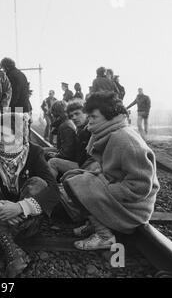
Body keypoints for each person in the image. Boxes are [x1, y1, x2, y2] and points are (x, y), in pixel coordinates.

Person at [0, 113, 59, 277]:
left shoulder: (34, 152)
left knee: (39, 184)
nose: (0, 138)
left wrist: (20, 207)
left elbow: (53, 190)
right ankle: (13, 253)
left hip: (26, 220)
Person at [60, 92, 159, 250]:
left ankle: (105, 236)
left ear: (109, 116)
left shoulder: (125, 139)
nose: (89, 121)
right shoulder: (110, 133)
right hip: (123, 199)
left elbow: (140, 185)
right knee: (72, 177)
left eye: (93, 117)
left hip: (135, 208)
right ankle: (97, 223)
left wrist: (106, 190)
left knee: (78, 183)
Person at [48, 99, 97, 180]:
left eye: (77, 114)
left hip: (86, 167)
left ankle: (50, 188)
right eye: (71, 116)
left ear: (86, 113)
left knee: (52, 162)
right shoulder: (80, 129)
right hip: (81, 163)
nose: (74, 118)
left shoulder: (89, 129)